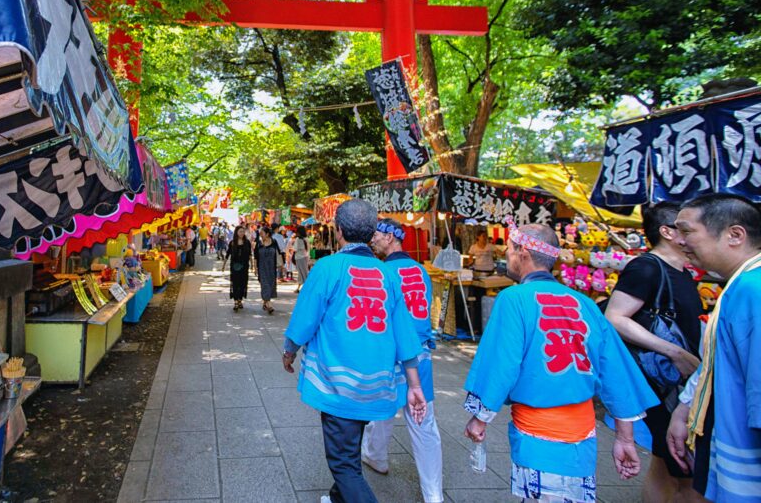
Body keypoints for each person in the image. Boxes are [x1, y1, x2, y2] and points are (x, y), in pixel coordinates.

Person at [463, 222, 658, 503]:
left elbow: (501, 363)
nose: (507, 255)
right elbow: (616, 370)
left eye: (509, 249)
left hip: (537, 435)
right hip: (583, 438)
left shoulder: (513, 299)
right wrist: (625, 438)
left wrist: (480, 417)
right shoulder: (586, 304)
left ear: (522, 252)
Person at [282, 199, 427, 503]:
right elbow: (404, 332)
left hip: (338, 381)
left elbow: (305, 317)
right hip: (376, 382)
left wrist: (289, 350)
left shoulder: (328, 268)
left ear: (338, 231)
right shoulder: (387, 274)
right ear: (372, 231)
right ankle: (337, 498)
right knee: (350, 443)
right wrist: (415, 385)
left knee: (344, 465)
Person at [605, 202, 703, 503]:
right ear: (667, 231)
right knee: (685, 471)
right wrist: (673, 351)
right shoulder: (647, 267)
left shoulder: (683, 272)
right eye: (685, 227)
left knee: (664, 463)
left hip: (679, 379)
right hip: (661, 382)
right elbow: (615, 317)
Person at [665, 193, 761, 502]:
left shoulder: (753, 290)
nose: (678, 240)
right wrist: (686, 408)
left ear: (735, 235)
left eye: (687, 231)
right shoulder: (740, 285)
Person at [362, 218, 444, 503]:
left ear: (390, 238)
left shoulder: (382, 272)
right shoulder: (421, 271)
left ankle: (376, 456)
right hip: (421, 353)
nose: (372, 240)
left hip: (391, 354)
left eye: (376, 236)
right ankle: (433, 494)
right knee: (424, 422)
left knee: (382, 408)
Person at [255, 226, 282, 314]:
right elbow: (256, 257)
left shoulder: (274, 242)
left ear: (267, 234)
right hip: (262, 267)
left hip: (272, 267)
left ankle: (265, 302)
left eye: (262, 233)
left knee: (270, 285)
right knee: (265, 285)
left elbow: (278, 253)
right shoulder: (258, 243)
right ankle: (269, 305)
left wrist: (281, 265)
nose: (261, 235)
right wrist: (255, 268)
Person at [228, 226, 252, 311]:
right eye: (240, 231)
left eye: (243, 232)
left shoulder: (247, 242)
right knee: (235, 283)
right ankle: (235, 301)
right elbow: (228, 254)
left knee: (242, 283)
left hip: (244, 266)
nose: (242, 233)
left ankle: (240, 300)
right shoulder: (232, 243)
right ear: (236, 232)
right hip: (234, 267)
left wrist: (252, 265)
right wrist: (223, 266)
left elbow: (250, 254)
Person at [293, 225, 310, 293]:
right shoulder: (306, 239)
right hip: (305, 257)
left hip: (299, 258)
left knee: (302, 273)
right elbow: (308, 248)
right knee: (303, 272)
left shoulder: (298, 239)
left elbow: (295, 249)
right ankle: (299, 287)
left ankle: (306, 287)